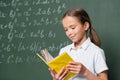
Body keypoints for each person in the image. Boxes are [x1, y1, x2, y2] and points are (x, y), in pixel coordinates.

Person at [49, 8, 108, 80]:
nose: (69, 33)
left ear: (85, 26)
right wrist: (56, 77)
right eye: (66, 30)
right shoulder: (64, 51)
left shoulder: (96, 52)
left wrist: (85, 72)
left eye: (73, 28)